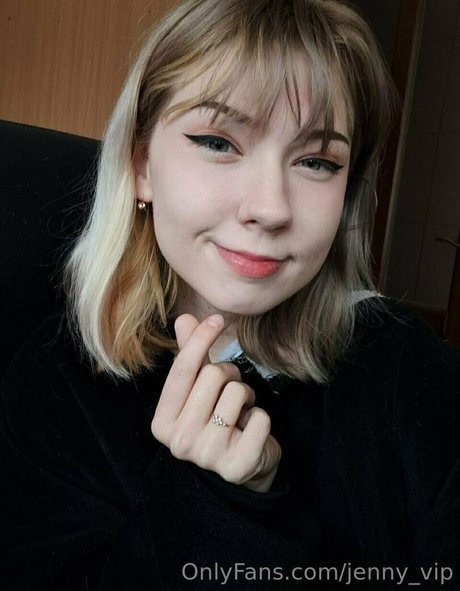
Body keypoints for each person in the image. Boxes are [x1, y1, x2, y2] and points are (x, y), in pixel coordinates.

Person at [1, 0, 459, 589]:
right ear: (141, 164)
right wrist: (216, 501)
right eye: (218, 143)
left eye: (316, 161)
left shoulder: (410, 370)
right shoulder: (54, 388)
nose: (269, 207)